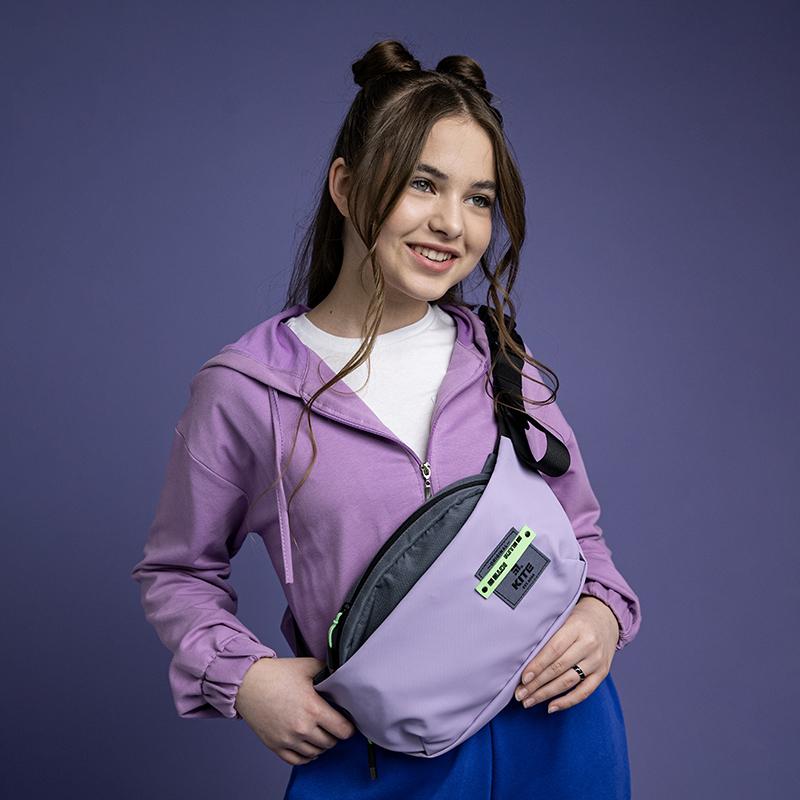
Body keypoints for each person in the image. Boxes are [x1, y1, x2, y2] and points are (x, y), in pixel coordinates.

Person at [131, 39, 642, 800]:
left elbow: (582, 535)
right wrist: (247, 678)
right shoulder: (246, 390)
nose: (452, 224)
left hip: (563, 735)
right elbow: (178, 572)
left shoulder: (500, 358)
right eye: (422, 184)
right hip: (381, 760)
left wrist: (602, 615)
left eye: (478, 199)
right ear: (346, 185)